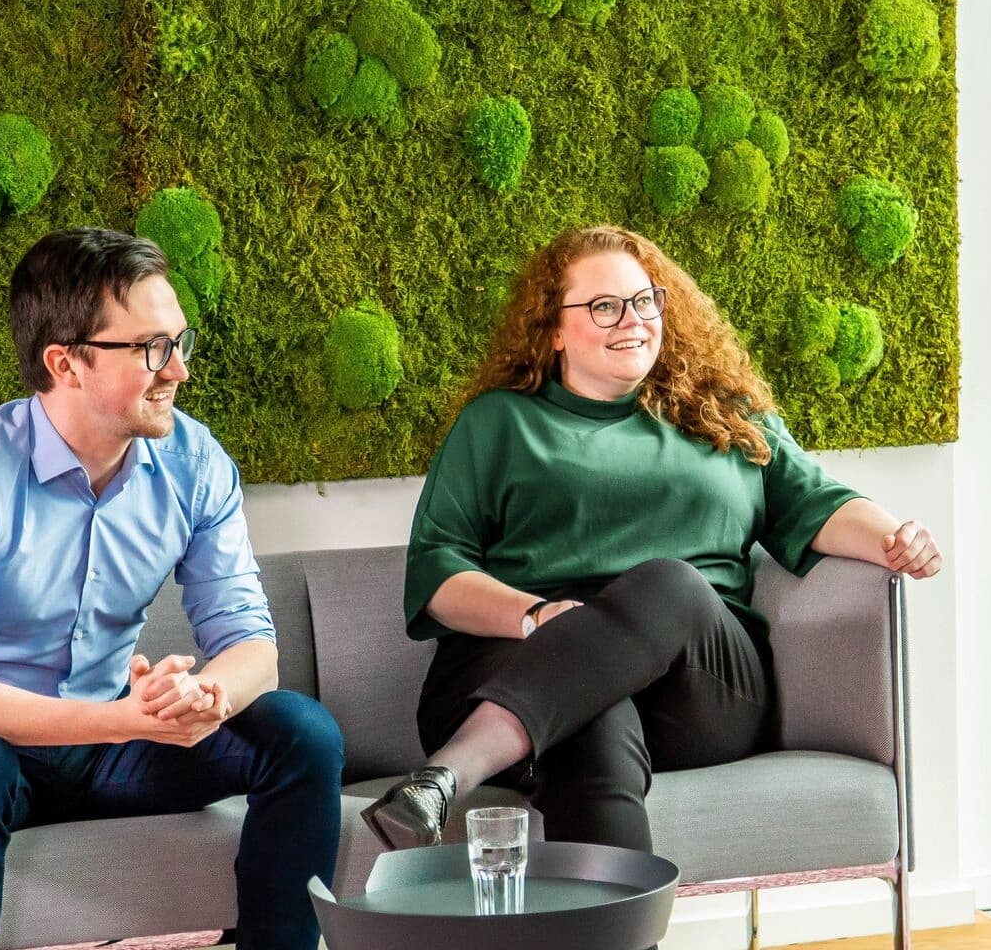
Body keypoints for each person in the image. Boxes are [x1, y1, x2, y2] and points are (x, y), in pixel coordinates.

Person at [362, 224, 942, 851]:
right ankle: (617, 910)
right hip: (520, 656)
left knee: (669, 584)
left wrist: (895, 539)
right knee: (591, 716)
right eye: (604, 306)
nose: (632, 321)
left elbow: (817, 503)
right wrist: (536, 617)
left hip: (698, 683)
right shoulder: (497, 423)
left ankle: (448, 774)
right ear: (553, 328)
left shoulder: (723, 414)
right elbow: (437, 572)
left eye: (644, 301)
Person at [0, 228, 345, 950]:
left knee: (303, 733)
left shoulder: (195, 463)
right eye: (152, 348)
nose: (179, 370)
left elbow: (252, 646)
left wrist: (204, 697)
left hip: (102, 749)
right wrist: (123, 721)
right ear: (66, 363)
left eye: (180, 342)